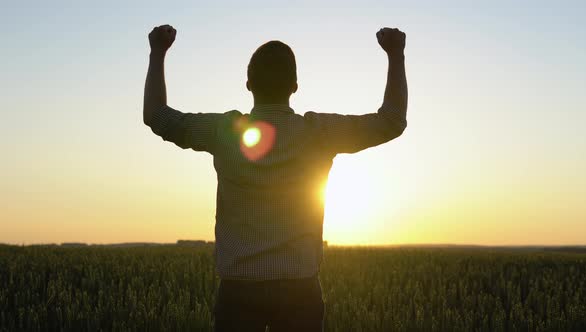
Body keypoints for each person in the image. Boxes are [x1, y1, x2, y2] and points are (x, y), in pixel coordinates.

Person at [143, 24, 407, 332]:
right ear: (295, 85)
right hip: (300, 292)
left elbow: (156, 114)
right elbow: (391, 121)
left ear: (248, 83)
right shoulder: (319, 133)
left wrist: (158, 52)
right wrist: (396, 54)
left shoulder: (224, 132)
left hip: (238, 292)